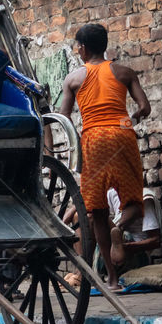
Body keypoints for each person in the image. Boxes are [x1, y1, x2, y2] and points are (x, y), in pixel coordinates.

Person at [60, 23, 151, 291]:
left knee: (97, 211)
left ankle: (111, 280)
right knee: (134, 200)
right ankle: (121, 226)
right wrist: (133, 117)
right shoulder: (124, 72)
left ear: (83, 48)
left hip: (94, 140)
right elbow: (145, 107)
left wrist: (79, 138)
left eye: (78, 46)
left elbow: (63, 118)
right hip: (122, 135)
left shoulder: (74, 78)